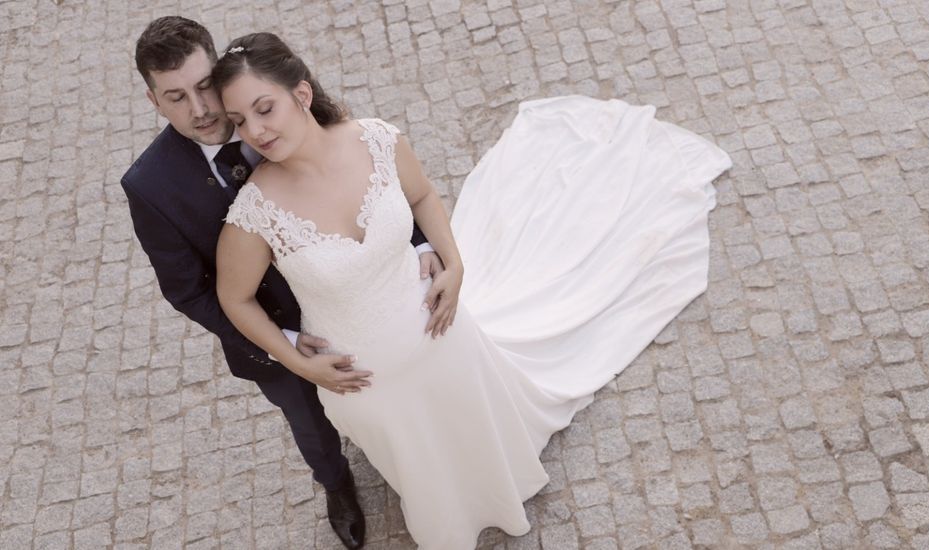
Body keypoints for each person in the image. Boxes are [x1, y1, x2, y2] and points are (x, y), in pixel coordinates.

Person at [214, 32, 732, 549]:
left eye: (265, 109)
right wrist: (298, 362)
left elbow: (420, 195)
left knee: (471, 421)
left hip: (442, 328)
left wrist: (455, 264)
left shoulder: (375, 139)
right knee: (421, 461)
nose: (255, 131)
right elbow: (234, 299)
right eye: (239, 121)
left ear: (301, 95)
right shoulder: (256, 212)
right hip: (364, 382)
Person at [120, 17, 445, 549]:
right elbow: (188, 291)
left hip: (359, 291)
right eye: (176, 97)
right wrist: (287, 345)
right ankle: (338, 486)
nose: (199, 110)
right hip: (272, 330)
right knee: (310, 421)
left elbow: (364, 179)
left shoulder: (273, 106)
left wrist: (418, 244)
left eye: (205, 87)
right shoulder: (149, 186)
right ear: (154, 101)